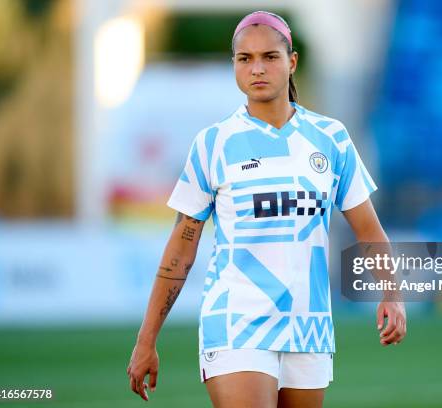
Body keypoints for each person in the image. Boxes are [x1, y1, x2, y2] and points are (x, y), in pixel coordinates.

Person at [127, 10, 406, 408]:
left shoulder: (332, 139)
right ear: (235, 66)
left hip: (309, 328)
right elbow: (181, 248)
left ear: (291, 63)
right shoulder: (213, 144)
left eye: (269, 57)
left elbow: (368, 230)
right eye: (245, 59)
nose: (257, 68)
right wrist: (146, 339)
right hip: (236, 324)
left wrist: (392, 295)